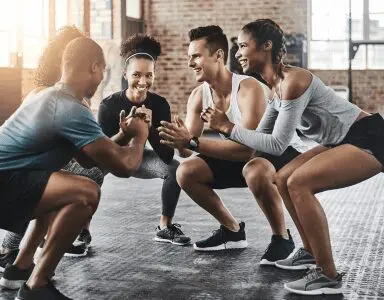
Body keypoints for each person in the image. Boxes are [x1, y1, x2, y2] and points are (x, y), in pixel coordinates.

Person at [203, 18, 384, 295]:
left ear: (266, 46)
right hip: (341, 139)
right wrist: (205, 138)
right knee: (283, 176)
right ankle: (311, 252)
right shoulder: (274, 90)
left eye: (242, 46)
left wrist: (227, 127)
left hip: (369, 135)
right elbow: (258, 143)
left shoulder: (293, 81)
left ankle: (328, 275)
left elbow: (276, 144)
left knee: (300, 182)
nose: (237, 54)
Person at [0, 37, 149, 299]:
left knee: (63, 185)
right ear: (95, 67)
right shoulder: (70, 108)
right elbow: (124, 166)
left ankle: (19, 270)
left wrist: (123, 134)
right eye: (103, 71)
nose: (101, 79)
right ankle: (36, 287)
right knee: (86, 192)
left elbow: (89, 158)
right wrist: (141, 136)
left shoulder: (45, 95)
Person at [158, 25, 307, 265]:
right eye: (189, 58)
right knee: (185, 172)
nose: (190, 63)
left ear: (218, 56)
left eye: (196, 56)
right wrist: (175, 138)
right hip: (245, 159)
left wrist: (192, 141)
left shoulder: (249, 89)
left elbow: (248, 150)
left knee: (255, 168)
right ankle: (232, 231)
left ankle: (282, 238)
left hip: (282, 155)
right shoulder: (198, 96)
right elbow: (186, 151)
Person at [0, 27, 103, 282]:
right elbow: (95, 157)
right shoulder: (57, 98)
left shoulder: (47, 93)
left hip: (17, 173)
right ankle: (15, 255)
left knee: (68, 177)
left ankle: (21, 263)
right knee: (81, 181)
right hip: (11, 178)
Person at [98, 33, 190, 246]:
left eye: (149, 75)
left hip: (139, 158)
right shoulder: (108, 106)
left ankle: (165, 227)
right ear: (125, 74)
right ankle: (81, 231)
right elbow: (102, 151)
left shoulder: (160, 105)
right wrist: (126, 133)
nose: (143, 81)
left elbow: (167, 156)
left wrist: (149, 129)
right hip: (112, 158)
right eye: (137, 75)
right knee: (89, 171)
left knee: (175, 168)